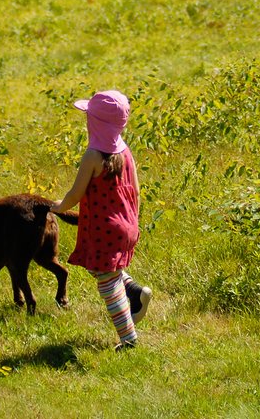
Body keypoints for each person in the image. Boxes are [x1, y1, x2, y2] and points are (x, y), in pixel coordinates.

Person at [51, 89, 151, 351]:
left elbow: (76, 193)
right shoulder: (126, 152)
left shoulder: (93, 157)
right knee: (107, 270)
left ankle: (128, 339)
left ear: (94, 123)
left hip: (105, 228)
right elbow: (137, 190)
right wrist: (134, 220)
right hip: (127, 224)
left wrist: (58, 207)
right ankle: (136, 292)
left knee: (106, 282)